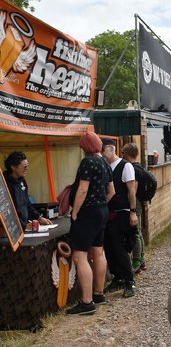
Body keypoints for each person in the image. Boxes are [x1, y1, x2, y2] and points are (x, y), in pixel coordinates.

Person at [66, 132, 115, 315]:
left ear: (85, 147)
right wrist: (101, 204)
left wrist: (76, 211)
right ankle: (99, 294)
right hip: (102, 210)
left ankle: (87, 302)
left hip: (88, 212)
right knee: (98, 251)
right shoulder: (104, 163)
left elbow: (82, 189)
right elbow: (111, 191)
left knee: (79, 256)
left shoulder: (88, 162)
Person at [102, 138, 138, 298]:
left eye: (103, 150)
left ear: (110, 148)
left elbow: (131, 190)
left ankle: (129, 281)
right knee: (109, 247)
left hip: (122, 211)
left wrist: (133, 211)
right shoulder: (105, 166)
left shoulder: (126, 166)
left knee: (119, 247)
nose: (102, 154)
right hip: (108, 212)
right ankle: (117, 277)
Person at [2, 151, 53, 231]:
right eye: (24, 166)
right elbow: (8, 213)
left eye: (27, 166)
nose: (27, 169)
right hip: (13, 230)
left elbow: (27, 204)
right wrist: (23, 226)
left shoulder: (22, 181)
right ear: (13, 167)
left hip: (24, 226)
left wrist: (39, 218)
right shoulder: (4, 184)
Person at [122, 143, 146, 273]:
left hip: (135, 203)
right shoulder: (140, 167)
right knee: (139, 232)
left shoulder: (133, 169)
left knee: (136, 232)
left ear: (127, 154)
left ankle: (137, 261)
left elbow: (133, 190)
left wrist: (131, 209)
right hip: (140, 202)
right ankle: (142, 259)